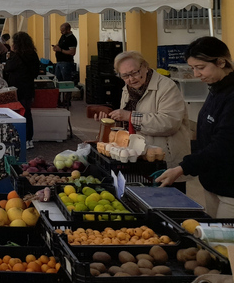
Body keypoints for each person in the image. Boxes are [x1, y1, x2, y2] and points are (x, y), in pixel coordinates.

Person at [156, 37, 234, 217]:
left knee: (225, 242)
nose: (196, 74)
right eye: (192, 68)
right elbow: (207, 138)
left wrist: (183, 167)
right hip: (213, 182)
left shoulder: (230, 96)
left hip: (230, 189)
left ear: (221, 62)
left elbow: (223, 145)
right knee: (213, 240)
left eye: (200, 68)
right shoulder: (216, 89)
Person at [95, 50, 191, 191]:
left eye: (135, 72)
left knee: (169, 205)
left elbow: (169, 123)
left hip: (165, 162)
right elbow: (128, 126)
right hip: (139, 160)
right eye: (125, 76)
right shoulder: (127, 89)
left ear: (145, 67)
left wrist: (129, 116)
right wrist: (111, 119)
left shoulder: (167, 87)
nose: (131, 79)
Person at [3, 32, 40, 150]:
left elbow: (7, 68)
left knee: (16, 113)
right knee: (27, 113)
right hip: (28, 87)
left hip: (16, 88)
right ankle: (29, 138)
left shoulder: (15, 56)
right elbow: (36, 72)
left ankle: (18, 137)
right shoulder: (33, 54)